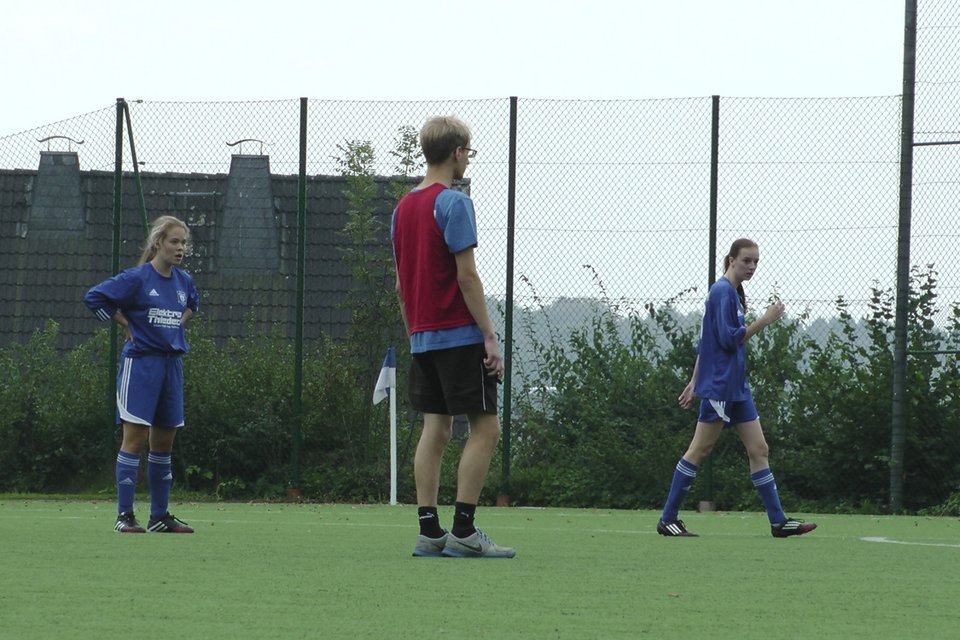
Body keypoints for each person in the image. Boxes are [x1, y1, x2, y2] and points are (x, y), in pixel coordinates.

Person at [391, 115, 514, 558]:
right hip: (460, 337)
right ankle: (464, 532)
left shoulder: (402, 207)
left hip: (422, 339)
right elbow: (467, 279)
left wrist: (415, 337)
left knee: (435, 430)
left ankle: (430, 532)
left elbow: (402, 286)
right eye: (469, 152)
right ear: (458, 152)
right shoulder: (455, 203)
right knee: (486, 429)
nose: (468, 160)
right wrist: (490, 338)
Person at [657, 238, 817, 538]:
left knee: (759, 449)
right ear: (731, 260)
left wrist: (693, 381)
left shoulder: (733, 293)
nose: (752, 266)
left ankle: (778, 521)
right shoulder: (721, 292)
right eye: (746, 261)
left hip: (737, 388)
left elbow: (708, 343)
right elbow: (729, 340)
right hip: (720, 388)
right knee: (700, 449)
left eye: (756, 261)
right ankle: (668, 518)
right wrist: (766, 320)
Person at [84, 215, 200, 534]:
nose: (180, 248)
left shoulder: (184, 281)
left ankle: (159, 517)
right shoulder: (136, 278)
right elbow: (94, 298)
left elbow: (193, 304)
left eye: (183, 243)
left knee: (164, 443)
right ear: (158, 243)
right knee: (134, 440)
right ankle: (125, 516)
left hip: (171, 366)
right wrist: (126, 324)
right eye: (174, 241)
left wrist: (178, 323)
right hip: (141, 365)